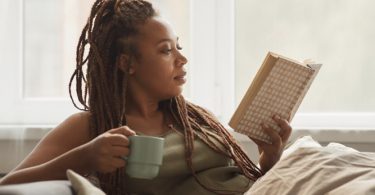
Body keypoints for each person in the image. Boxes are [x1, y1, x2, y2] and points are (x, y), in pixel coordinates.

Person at [0, 0, 292, 194]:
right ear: (128, 63)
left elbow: (241, 181)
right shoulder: (91, 127)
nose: (183, 59)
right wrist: (85, 157)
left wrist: (269, 159)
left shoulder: (198, 118)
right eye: (166, 50)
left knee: (324, 160)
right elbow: (8, 186)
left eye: (178, 46)